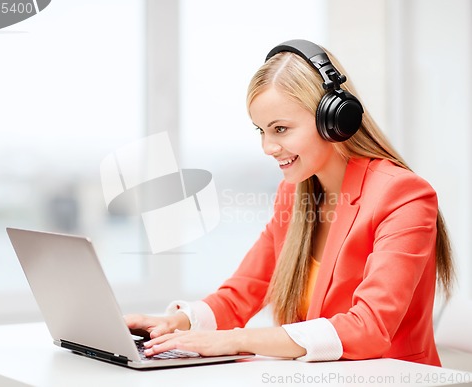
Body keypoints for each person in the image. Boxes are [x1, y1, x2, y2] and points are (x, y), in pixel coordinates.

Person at [125, 39, 454, 366]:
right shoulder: (293, 196)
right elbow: (242, 292)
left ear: (335, 120)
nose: (268, 147)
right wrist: (175, 324)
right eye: (261, 131)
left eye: (280, 129)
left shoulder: (403, 195)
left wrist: (233, 339)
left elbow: (369, 328)